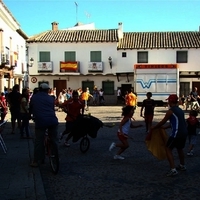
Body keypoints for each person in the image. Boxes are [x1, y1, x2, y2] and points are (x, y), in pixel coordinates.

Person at [150, 94, 187, 177]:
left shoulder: (171, 111)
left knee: (168, 148)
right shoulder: (180, 110)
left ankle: (173, 169)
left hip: (176, 133)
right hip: (184, 132)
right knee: (180, 148)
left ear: (170, 101)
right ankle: (182, 165)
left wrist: (154, 127)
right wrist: (165, 127)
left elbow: (163, 121)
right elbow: (177, 122)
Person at [29, 83, 59, 167]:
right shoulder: (51, 98)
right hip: (53, 121)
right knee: (54, 139)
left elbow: (31, 108)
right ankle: (56, 155)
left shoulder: (34, 97)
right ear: (47, 90)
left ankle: (36, 161)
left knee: (39, 140)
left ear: (39, 89)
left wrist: (30, 115)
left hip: (41, 121)